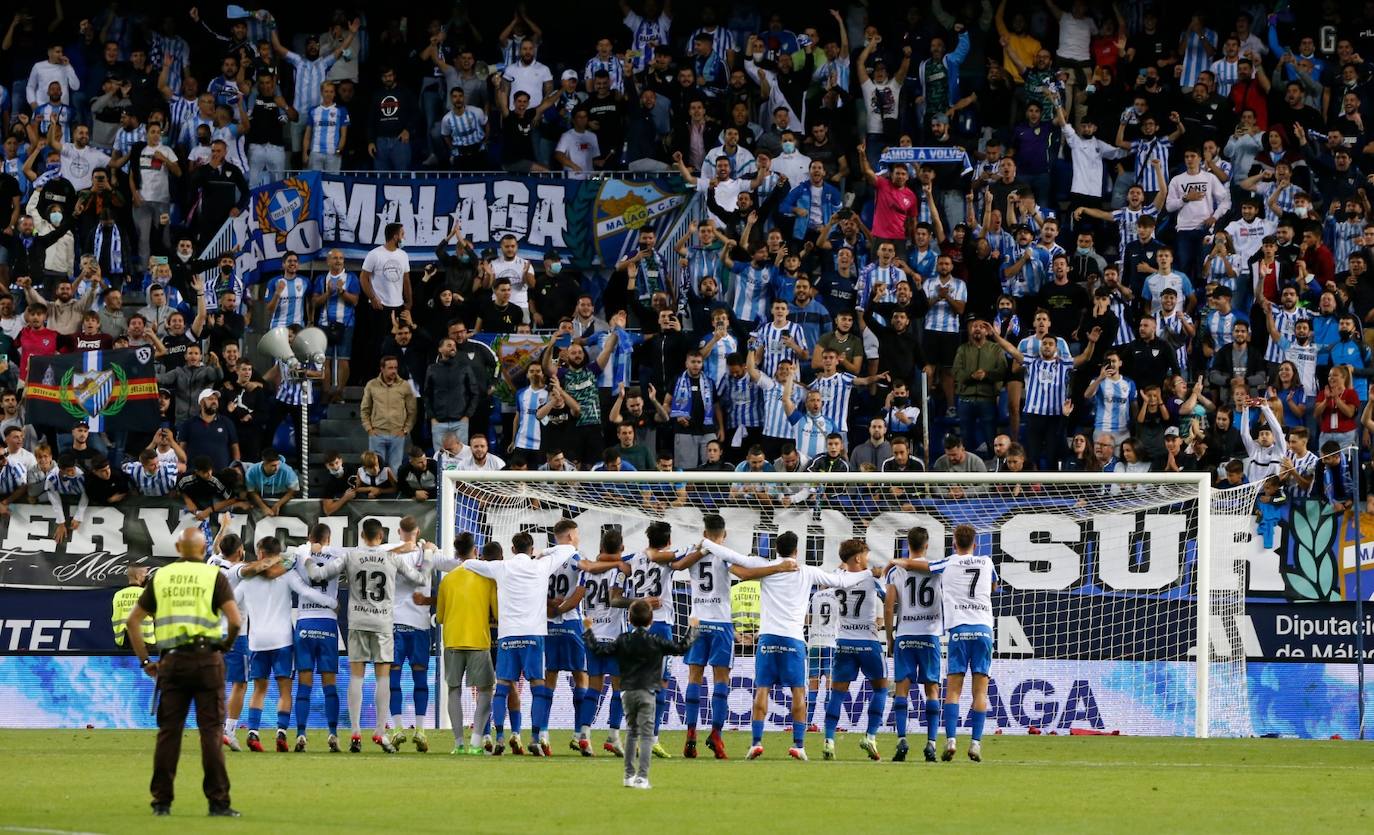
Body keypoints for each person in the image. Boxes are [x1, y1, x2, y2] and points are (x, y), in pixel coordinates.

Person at [693, 530, 868, 762]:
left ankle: (756, 743)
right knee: (799, 692)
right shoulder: (807, 572)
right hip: (794, 640)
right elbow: (842, 580)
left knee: (762, 689)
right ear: (797, 550)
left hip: (767, 639)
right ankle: (798, 745)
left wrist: (706, 543)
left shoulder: (764, 567)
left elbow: (735, 557)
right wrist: (868, 572)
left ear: (776, 549)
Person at [126, 527, 242, 817]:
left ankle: (161, 802)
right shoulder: (214, 576)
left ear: (178, 546)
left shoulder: (161, 577)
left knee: (169, 733)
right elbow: (235, 621)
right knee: (212, 732)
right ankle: (218, 803)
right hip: (208, 662)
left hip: (172, 662)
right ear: (203, 549)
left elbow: (133, 622)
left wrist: (145, 662)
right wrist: (223, 647)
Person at [461, 520, 585, 756]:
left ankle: (499, 738)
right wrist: (544, 552)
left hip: (508, 636)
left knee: (502, 688)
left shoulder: (502, 567)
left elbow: (468, 563)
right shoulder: (541, 566)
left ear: (512, 549)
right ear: (531, 549)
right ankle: (536, 738)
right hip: (534, 636)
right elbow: (569, 549)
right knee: (538, 686)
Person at [305, 518, 427, 753]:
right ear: (380, 536)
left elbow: (319, 575)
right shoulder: (392, 558)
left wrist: (307, 558)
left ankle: (355, 732)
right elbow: (420, 579)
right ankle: (380, 733)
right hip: (382, 623)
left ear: (362, 535)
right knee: (383, 678)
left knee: (357, 677)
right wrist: (428, 557)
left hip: (358, 622)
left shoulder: (351, 556)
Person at [891, 523, 993, 762]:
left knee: (953, 690)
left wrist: (895, 561)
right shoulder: (987, 562)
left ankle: (950, 741)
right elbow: (994, 586)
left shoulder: (948, 563)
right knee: (980, 691)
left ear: (954, 543)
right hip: (983, 629)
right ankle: (976, 743)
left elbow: (919, 565)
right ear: (975, 545)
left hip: (957, 629)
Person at [238, 536, 336, 753]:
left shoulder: (247, 580)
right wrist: (330, 602)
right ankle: (281, 731)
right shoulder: (287, 575)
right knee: (285, 689)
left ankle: (253, 730)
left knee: (259, 689)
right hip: (282, 639)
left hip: (256, 640)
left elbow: (231, 600)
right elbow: (307, 592)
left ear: (260, 553)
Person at [585, 600, 697, 789]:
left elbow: (599, 650)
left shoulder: (622, 639)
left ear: (629, 618)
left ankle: (628, 776)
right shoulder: (655, 641)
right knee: (646, 736)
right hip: (647, 691)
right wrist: (693, 629)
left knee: (631, 733)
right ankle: (642, 777)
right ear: (651, 620)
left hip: (627, 692)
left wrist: (588, 630)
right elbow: (681, 648)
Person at [612, 520, 681, 758]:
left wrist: (635, 602)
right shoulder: (669, 559)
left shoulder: (631, 559)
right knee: (660, 684)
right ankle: (651, 738)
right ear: (668, 541)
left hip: (635, 629)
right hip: (660, 626)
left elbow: (615, 596)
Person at [425, 533, 497, 755]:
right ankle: (476, 742)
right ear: (475, 550)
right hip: (478, 641)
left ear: (456, 552)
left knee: (453, 691)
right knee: (485, 690)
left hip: (453, 641)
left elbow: (441, 617)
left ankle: (458, 743)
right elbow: (497, 613)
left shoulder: (448, 579)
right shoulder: (487, 578)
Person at [885, 526, 943, 763]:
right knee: (932, 689)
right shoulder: (938, 569)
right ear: (926, 545)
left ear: (907, 544)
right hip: (929, 636)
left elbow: (889, 607)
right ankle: (930, 744)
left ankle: (901, 739)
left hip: (905, 636)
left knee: (902, 688)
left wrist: (889, 637)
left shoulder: (896, 572)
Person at [291, 525, 344, 752]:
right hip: (327, 624)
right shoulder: (338, 555)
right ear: (329, 538)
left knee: (304, 683)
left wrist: (305, 549)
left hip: (305, 622)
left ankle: (301, 734)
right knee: (329, 684)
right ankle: (333, 733)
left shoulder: (299, 555)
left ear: (309, 538)